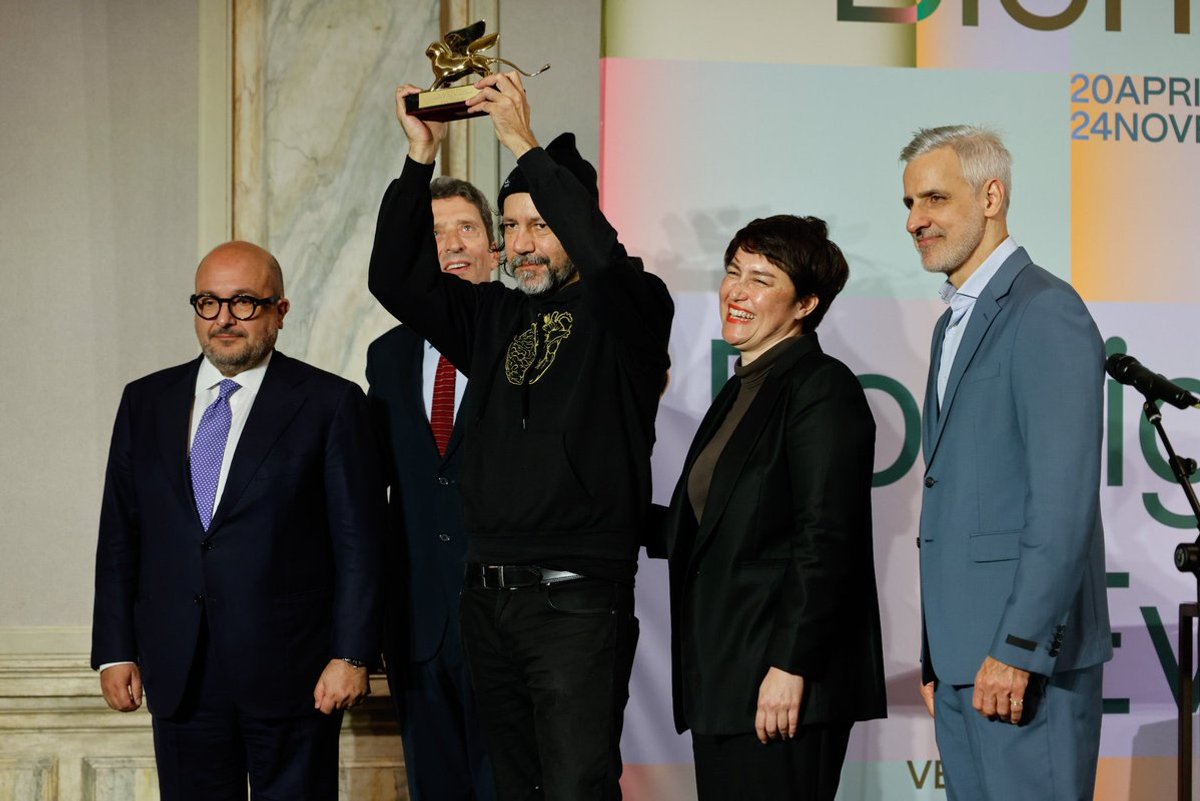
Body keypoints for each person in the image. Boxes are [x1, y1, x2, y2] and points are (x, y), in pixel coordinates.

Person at [368, 73, 674, 800]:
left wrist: (523, 143)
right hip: (487, 599)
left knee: (575, 787)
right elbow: (394, 279)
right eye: (512, 227)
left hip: (575, 602)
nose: (522, 245)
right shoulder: (493, 316)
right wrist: (420, 159)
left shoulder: (631, 308)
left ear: (578, 223)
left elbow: (604, 259)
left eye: (541, 224)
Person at [91, 241, 386, 801]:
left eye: (244, 303)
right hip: (179, 670)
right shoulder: (144, 401)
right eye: (208, 302)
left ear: (280, 311)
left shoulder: (331, 403)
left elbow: (359, 544)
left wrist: (351, 655)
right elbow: (119, 535)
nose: (224, 319)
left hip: (295, 674)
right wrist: (115, 649)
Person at [901, 125, 1112, 800]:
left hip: (1021, 658)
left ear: (992, 195)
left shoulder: (1045, 310)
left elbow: (1061, 502)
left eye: (934, 198)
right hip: (964, 660)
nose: (915, 220)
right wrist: (940, 656)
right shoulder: (951, 324)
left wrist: (1019, 647)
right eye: (908, 203)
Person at [650, 215, 885, 801]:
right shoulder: (741, 387)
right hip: (726, 679)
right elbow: (705, 531)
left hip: (781, 687)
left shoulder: (821, 387)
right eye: (733, 272)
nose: (737, 290)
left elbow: (825, 539)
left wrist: (790, 666)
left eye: (761, 278)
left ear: (806, 303)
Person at [366, 175, 499, 801]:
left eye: (466, 228)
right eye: (434, 232)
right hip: (419, 627)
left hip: (510, 623)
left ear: (495, 250)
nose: (450, 244)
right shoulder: (385, 355)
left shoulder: (527, 341)